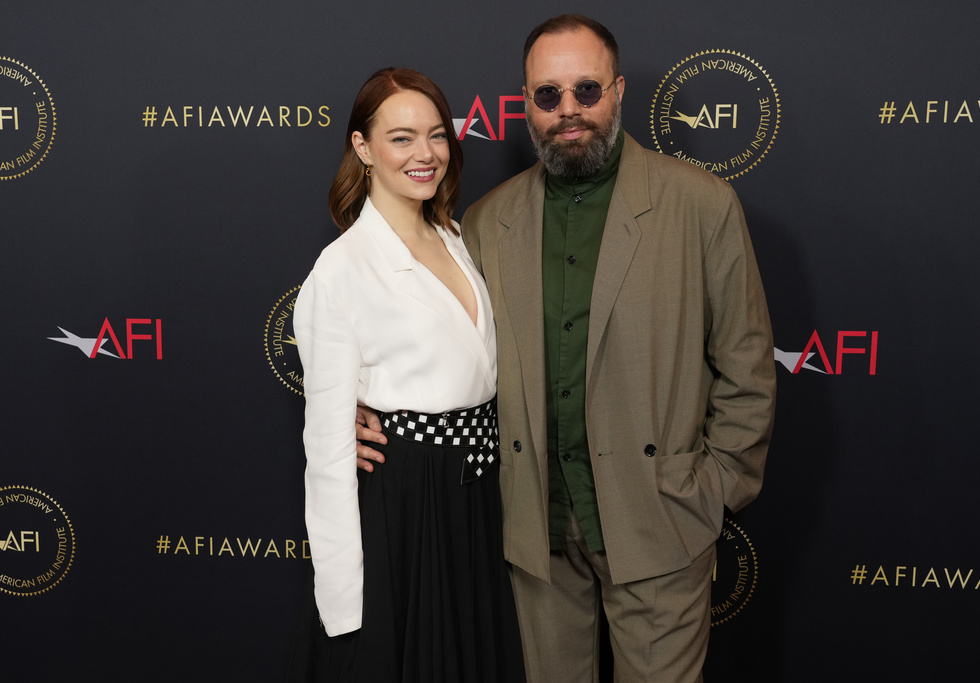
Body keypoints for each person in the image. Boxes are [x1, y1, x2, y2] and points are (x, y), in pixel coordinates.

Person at [357, 15, 776, 683]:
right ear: (526, 104)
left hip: (661, 523)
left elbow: (747, 365)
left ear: (617, 91)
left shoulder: (700, 205)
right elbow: (435, 342)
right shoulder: (491, 219)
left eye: (586, 89)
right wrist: (350, 403)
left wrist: (714, 490)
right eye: (548, 96)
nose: (568, 111)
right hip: (533, 535)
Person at [293, 67, 525, 682]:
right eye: (401, 138)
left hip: (478, 497)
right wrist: (343, 600)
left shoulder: (455, 237)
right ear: (362, 148)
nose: (425, 154)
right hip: (405, 503)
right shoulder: (341, 270)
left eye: (437, 135)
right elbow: (327, 454)